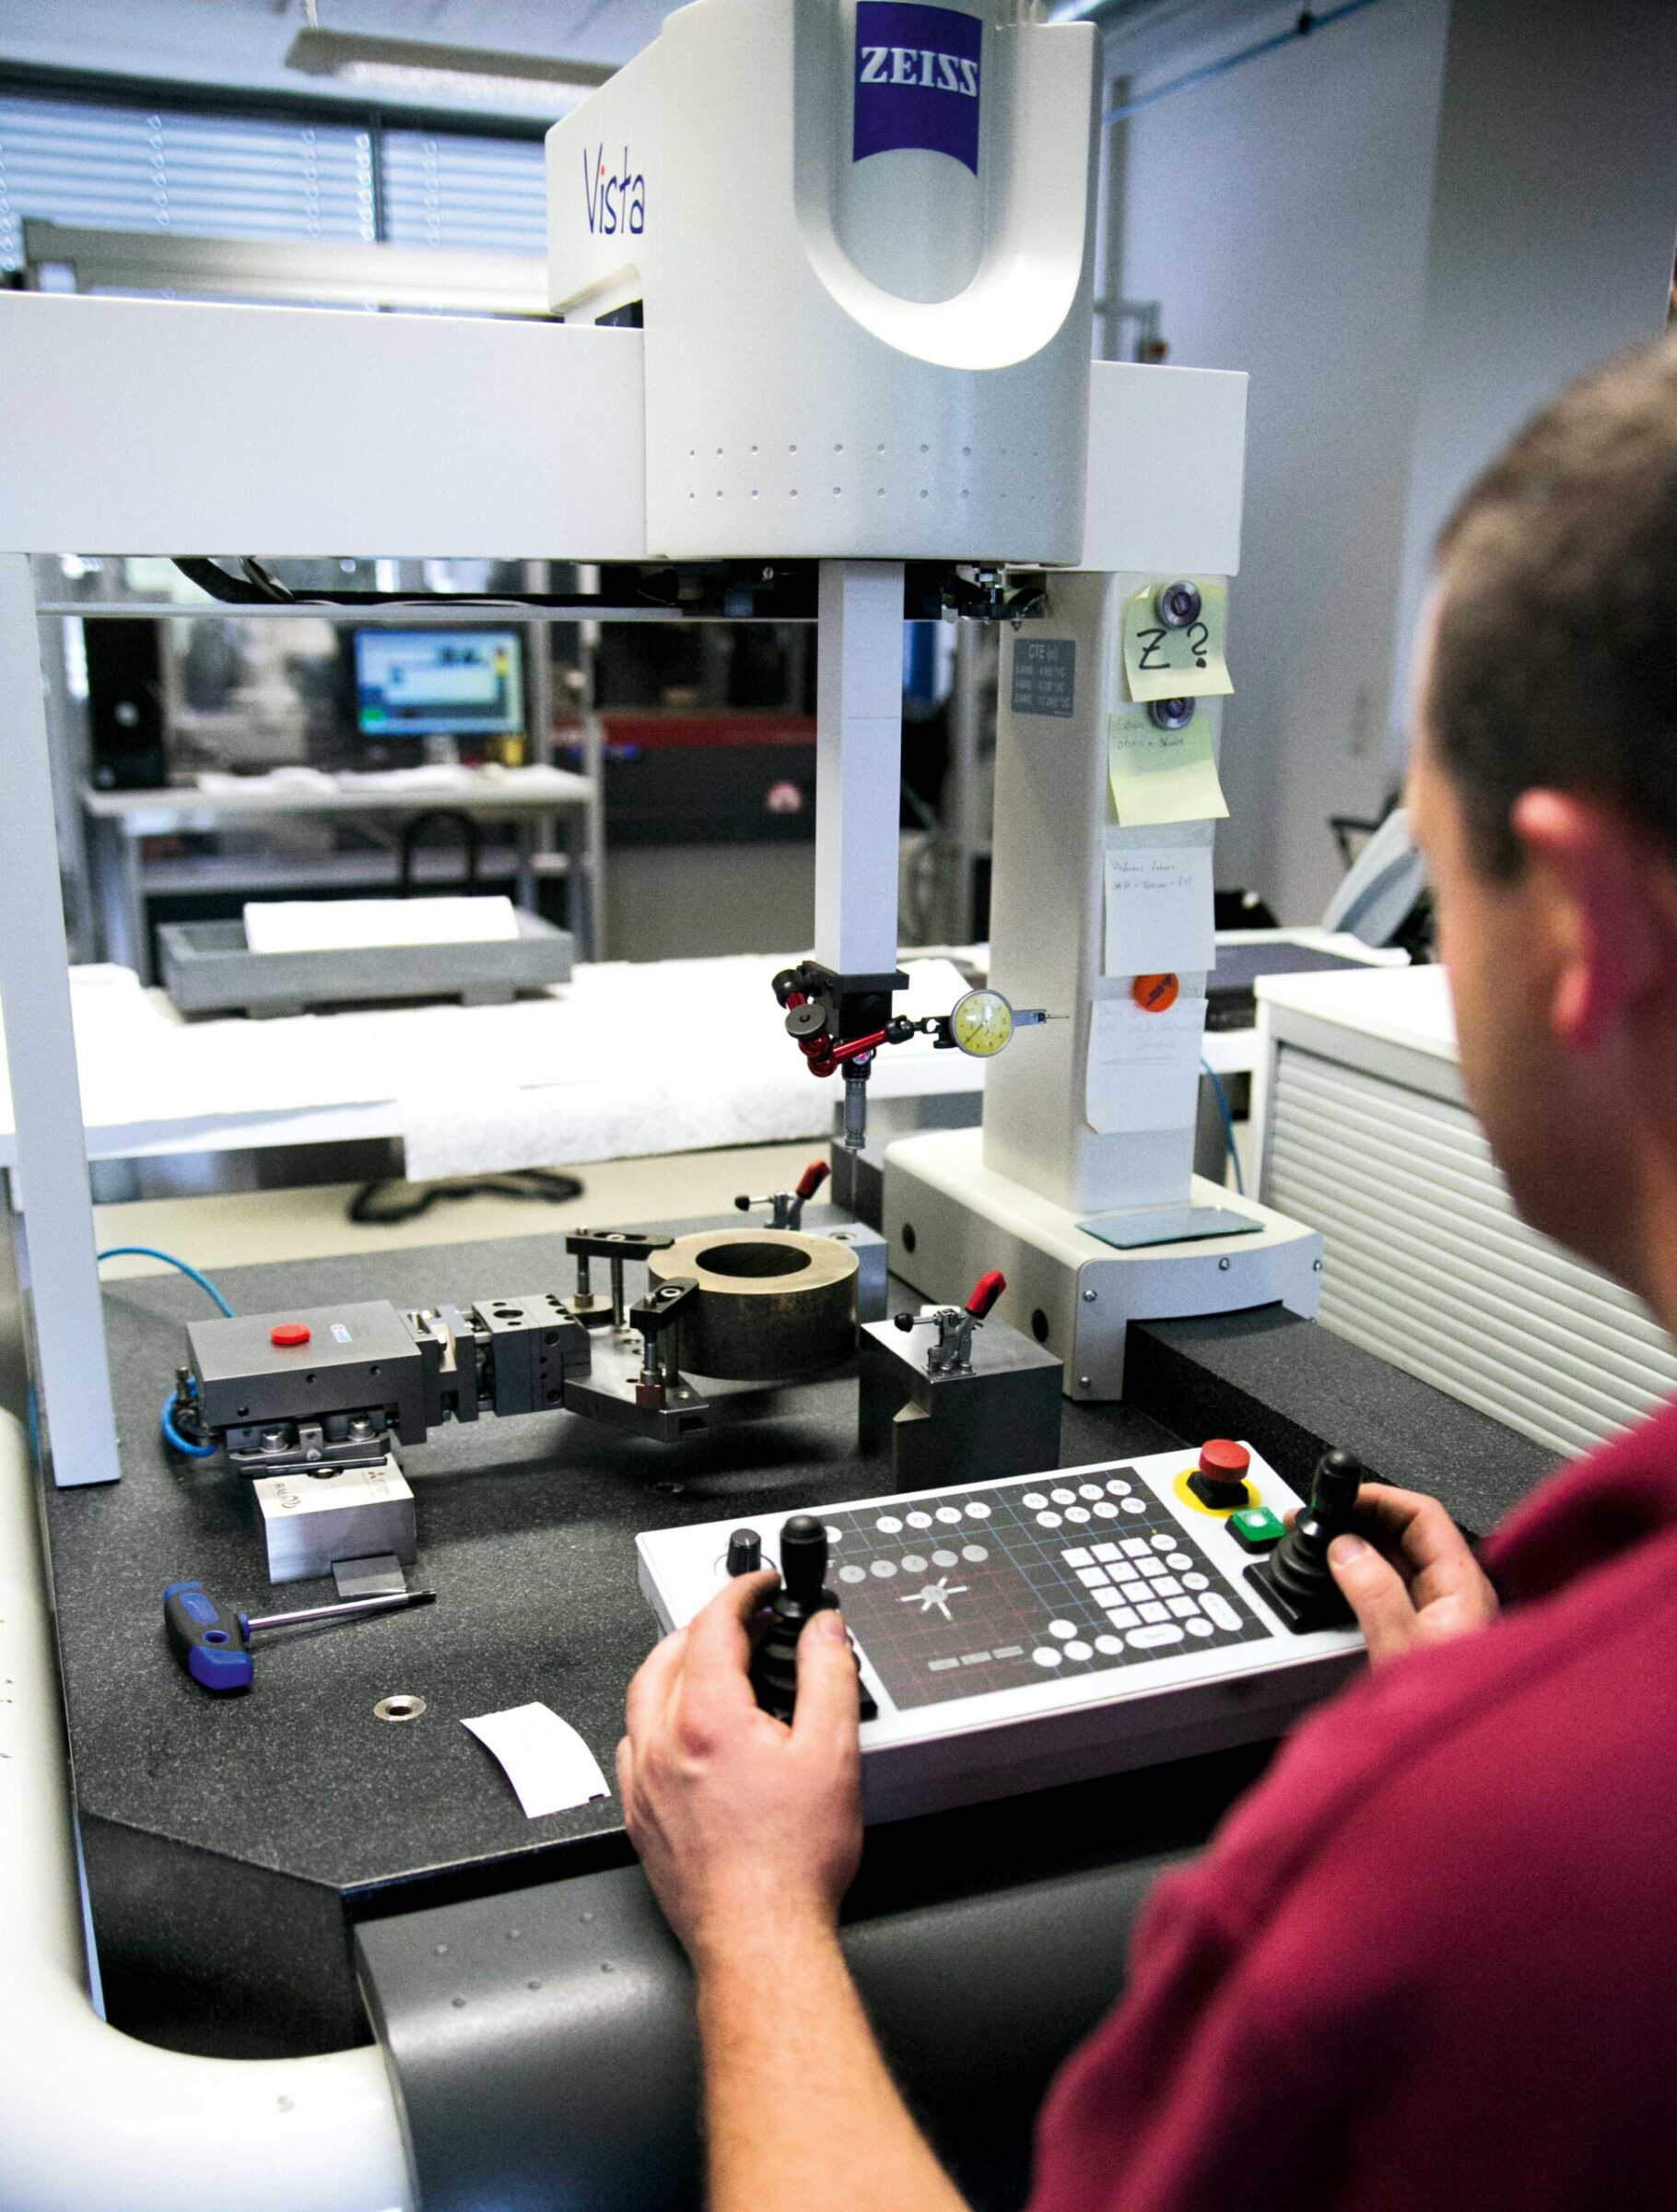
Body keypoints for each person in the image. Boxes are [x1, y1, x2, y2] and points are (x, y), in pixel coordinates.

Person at [617, 335, 1677, 2211]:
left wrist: (756, 1910)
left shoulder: (1461, 1889)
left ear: (1581, 923)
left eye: (1434, 871)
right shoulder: (1602, 1602)